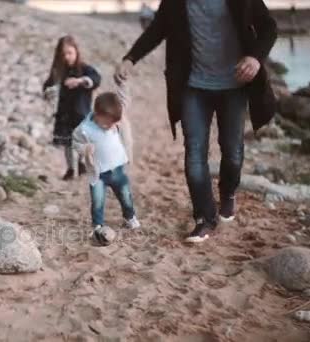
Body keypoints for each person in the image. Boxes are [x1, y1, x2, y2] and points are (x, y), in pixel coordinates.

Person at [115, 0, 277, 243]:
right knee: (194, 152)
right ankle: (204, 218)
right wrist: (130, 58)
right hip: (193, 87)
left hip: (234, 86)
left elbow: (269, 27)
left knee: (232, 152)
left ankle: (228, 192)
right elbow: (158, 29)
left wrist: (255, 58)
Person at [73, 78, 140, 245]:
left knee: (125, 196)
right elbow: (75, 142)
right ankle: (97, 225)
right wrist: (84, 149)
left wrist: (123, 84)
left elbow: (124, 101)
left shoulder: (114, 119)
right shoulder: (84, 128)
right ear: (97, 114)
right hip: (98, 173)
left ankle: (129, 216)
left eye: (113, 124)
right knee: (98, 200)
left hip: (118, 169)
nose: (110, 127)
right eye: (106, 123)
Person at [43, 35, 102, 181]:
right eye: (63, 54)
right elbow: (48, 85)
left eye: (69, 53)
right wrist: (49, 91)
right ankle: (71, 168)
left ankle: (81, 163)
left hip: (80, 113)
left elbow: (96, 79)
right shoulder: (59, 72)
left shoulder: (85, 69)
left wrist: (81, 81)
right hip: (64, 114)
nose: (66, 57)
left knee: (81, 142)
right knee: (67, 143)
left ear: (76, 51)